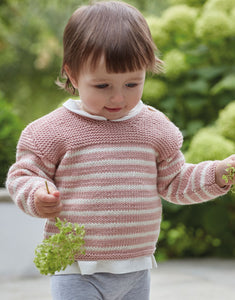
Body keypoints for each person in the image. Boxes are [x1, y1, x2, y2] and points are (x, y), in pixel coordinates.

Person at [6, 1, 235, 299]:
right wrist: (38, 194)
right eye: (102, 86)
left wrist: (218, 173)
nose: (118, 97)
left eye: (131, 83)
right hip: (77, 268)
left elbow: (175, 182)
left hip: (136, 268)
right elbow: (22, 175)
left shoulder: (154, 127)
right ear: (73, 75)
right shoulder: (52, 131)